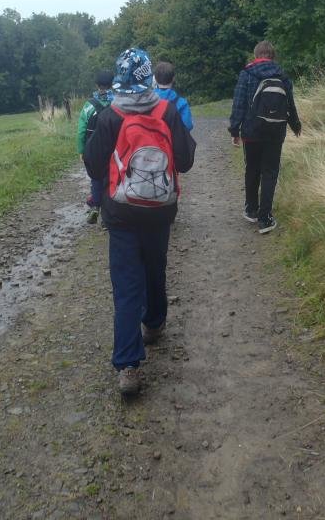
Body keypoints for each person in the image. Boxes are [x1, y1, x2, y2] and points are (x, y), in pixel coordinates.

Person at [84, 48, 196, 396]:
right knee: (154, 267)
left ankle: (128, 365)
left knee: (126, 285)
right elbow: (186, 160)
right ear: (148, 78)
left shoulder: (110, 116)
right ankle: (155, 322)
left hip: (120, 213)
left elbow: (92, 165)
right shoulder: (167, 111)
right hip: (160, 211)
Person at [228, 41, 301, 234]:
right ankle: (265, 218)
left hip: (251, 132)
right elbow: (290, 104)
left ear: (256, 55)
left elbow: (238, 104)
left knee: (252, 169)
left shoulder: (247, 74)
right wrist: (295, 125)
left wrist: (234, 130)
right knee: (269, 172)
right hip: (275, 132)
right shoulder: (282, 76)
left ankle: (251, 209)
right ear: (273, 56)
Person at [77, 70, 115, 223]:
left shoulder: (89, 105)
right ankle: (107, 217)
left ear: (97, 85)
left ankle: (95, 206)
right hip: (114, 149)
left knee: (96, 177)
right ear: (112, 84)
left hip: (94, 150)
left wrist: (81, 150)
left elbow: (81, 130)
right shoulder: (117, 103)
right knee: (112, 179)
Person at [153, 61, 193, 131]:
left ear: (155, 79)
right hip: (174, 137)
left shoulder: (148, 102)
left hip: (153, 137)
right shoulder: (182, 103)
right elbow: (188, 126)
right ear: (173, 79)